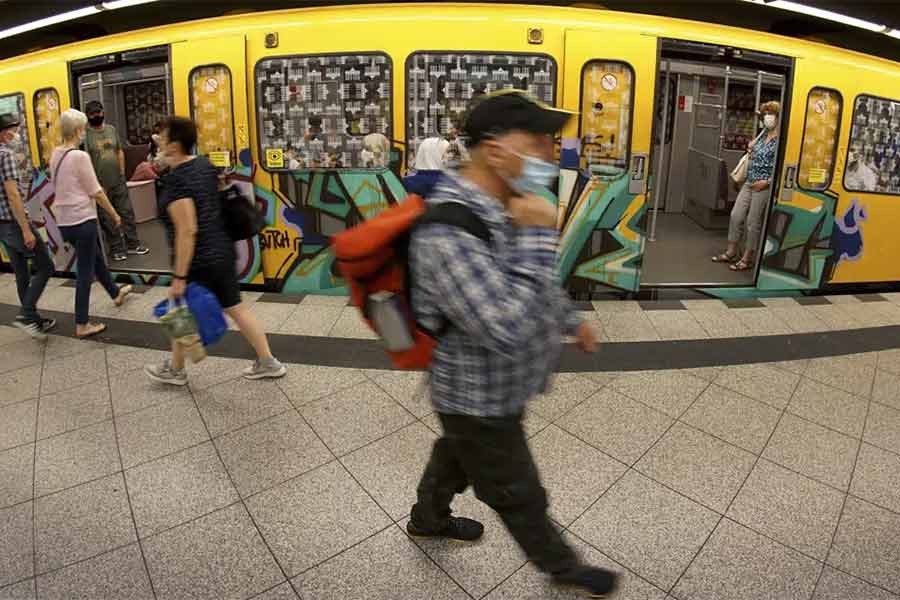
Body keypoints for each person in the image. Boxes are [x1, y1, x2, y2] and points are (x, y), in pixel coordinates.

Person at [405, 90, 617, 598]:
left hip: (496, 387)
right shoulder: (447, 230)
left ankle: (427, 518)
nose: (550, 154)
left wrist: (570, 319)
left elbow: (526, 285)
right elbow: (505, 327)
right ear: (496, 150)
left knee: (456, 452)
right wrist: (539, 236)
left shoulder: (502, 205)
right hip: (476, 394)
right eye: (538, 142)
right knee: (518, 490)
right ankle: (562, 567)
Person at [145, 116, 286, 385]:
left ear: (174, 144)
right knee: (236, 307)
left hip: (199, 261)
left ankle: (175, 370)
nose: (158, 141)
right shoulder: (204, 165)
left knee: (181, 312)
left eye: (162, 137)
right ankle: (268, 361)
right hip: (222, 251)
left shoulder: (177, 181)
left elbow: (188, 230)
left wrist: (179, 277)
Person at [51, 109, 134, 338]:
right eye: (84, 128)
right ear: (78, 130)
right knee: (85, 273)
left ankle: (115, 293)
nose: (85, 132)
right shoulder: (79, 156)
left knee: (95, 259)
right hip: (82, 220)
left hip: (65, 223)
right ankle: (82, 324)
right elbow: (96, 191)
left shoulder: (56, 153)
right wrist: (114, 214)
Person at [0, 113, 55, 339]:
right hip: (13, 223)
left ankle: (32, 321)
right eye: (14, 130)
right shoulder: (5, 155)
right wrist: (25, 229)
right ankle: (26, 315)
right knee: (45, 266)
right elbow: (13, 194)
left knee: (21, 272)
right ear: (4, 133)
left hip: (1, 226)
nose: (17, 134)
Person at [713, 100, 781, 271]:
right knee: (735, 215)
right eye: (765, 114)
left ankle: (747, 258)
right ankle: (731, 252)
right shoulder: (763, 134)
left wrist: (767, 182)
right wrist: (751, 149)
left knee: (752, 222)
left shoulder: (781, 140)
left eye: (770, 114)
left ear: (778, 117)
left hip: (763, 185)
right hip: (749, 182)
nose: (767, 117)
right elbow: (753, 152)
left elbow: (782, 165)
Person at [83, 100, 149, 262]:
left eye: (98, 112)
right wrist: (94, 183)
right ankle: (116, 248)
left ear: (103, 112)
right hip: (100, 184)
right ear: (88, 116)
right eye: (92, 114)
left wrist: (122, 173)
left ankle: (133, 244)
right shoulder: (85, 135)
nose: (96, 116)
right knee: (107, 217)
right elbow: (86, 160)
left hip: (118, 180)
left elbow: (119, 151)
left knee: (127, 212)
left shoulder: (111, 130)